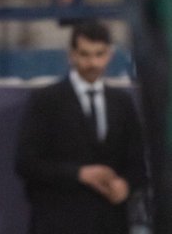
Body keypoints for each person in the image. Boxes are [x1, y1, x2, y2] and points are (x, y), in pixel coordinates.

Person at [15, 20, 148, 234]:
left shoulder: (122, 103)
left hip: (110, 223)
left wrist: (125, 186)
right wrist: (79, 174)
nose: (93, 62)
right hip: (58, 222)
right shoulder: (46, 101)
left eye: (99, 54)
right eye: (85, 54)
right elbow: (26, 163)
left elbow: (137, 164)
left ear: (110, 55)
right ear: (71, 55)